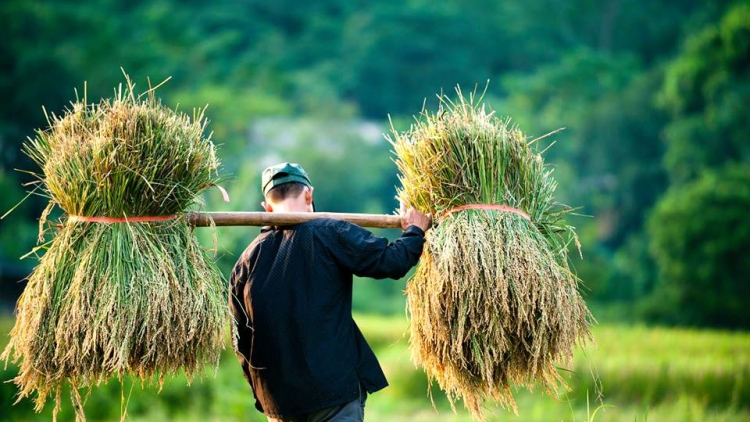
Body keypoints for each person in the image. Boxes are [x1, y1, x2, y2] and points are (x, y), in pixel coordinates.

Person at [229, 162, 431, 422]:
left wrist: (263, 392)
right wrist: (414, 231)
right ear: (309, 195)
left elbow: (240, 341)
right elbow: (391, 262)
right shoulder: (330, 231)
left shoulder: (245, 262)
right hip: (332, 394)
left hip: (279, 403)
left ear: (267, 208)